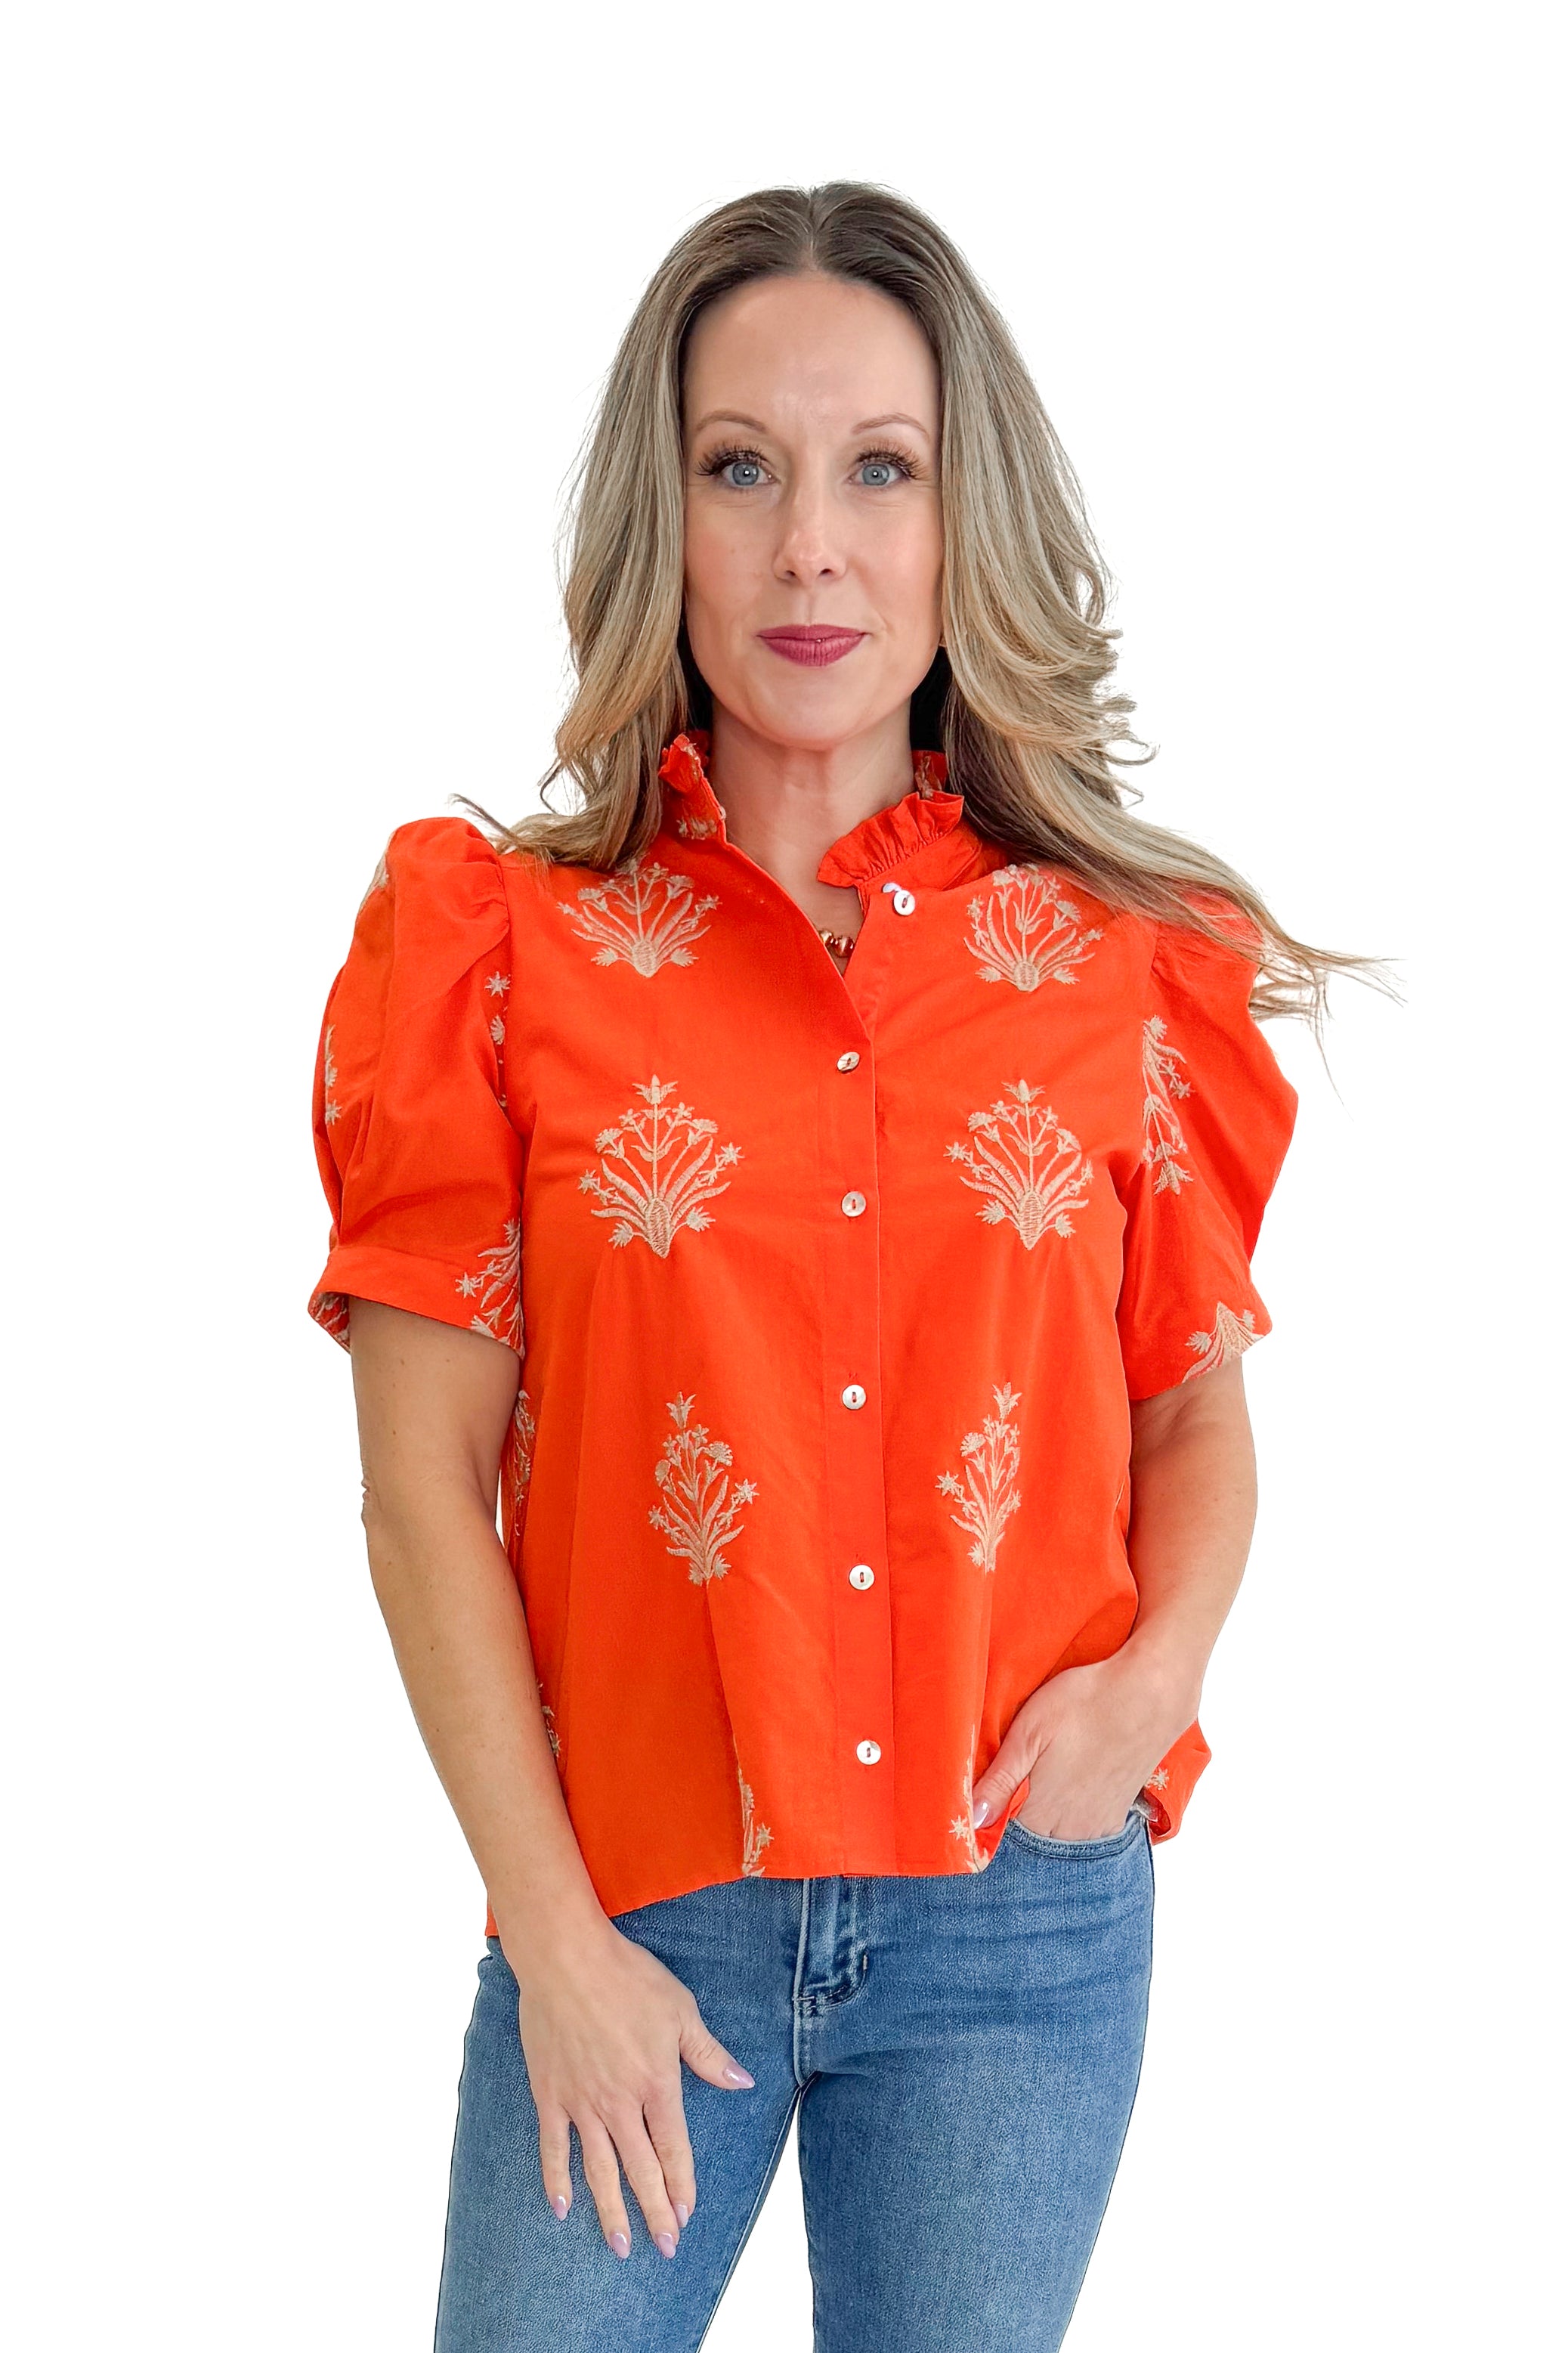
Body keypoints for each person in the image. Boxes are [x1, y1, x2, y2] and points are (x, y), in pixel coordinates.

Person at [308, 182, 1359, 2352]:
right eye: (739, 467)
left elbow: (1190, 1408)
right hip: (636, 1914)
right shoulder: (502, 955)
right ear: (659, 519)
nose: (810, 545)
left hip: (1018, 1932)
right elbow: (425, 1491)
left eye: (879, 468)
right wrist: (556, 1932)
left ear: (957, 519)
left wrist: (1150, 1690)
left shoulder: (1112, 969)